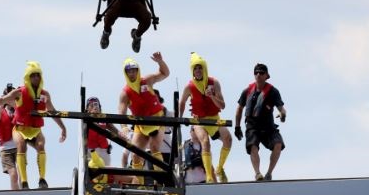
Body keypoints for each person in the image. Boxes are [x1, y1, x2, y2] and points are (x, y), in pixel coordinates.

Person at [0, 62, 67, 190]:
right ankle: (24, 182)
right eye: (33, 75)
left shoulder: (45, 94)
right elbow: (3, 99)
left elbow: (53, 111)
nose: (36, 78)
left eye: (38, 75)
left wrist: (63, 128)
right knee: (21, 145)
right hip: (20, 128)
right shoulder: (19, 92)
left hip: (35, 129)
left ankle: (42, 179)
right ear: (28, 77)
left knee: (41, 145)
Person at [179, 53, 233, 183]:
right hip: (199, 120)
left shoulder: (214, 83)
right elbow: (182, 102)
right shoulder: (189, 86)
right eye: (195, 68)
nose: (198, 71)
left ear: (204, 68)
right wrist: (179, 119)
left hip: (214, 118)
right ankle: (209, 176)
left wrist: (212, 96)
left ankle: (220, 169)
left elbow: (223, 105)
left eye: (200, 68)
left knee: (228, 139)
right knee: (205, 142)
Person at [117, 52, 170, 181]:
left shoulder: (147, 80)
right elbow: (121, 112)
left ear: (138, 70)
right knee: (135, 155)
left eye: (134, 70)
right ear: (126, 73)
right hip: (141, 125)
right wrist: (124, 127)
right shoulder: (125, 93)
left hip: (157, 119)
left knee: (154, 146)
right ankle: (138, 185)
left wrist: (160, 62)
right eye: (129, 71)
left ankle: (162, 181)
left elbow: (165, 74)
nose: (132, 74)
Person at [234, 63, 287, 181]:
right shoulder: (247, 91)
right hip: (253, 125)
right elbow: (239, 109)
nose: (258, 75)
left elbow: (281, 109)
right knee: (253, 146)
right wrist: (237, 127)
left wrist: (283, 115)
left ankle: (269, 173)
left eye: (261, 73)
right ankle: (257, 173)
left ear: (267, 75)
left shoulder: (273, 91)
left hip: (268, 126)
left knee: (278, 144)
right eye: (256, 72)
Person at [0, 85, 20, 190]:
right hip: (5, 149)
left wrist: (17, 105)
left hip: (19, 146)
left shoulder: (20, 109)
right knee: (13, 174)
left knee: (22, 172)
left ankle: (24, 192)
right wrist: (0, 104)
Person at [85, 96, 118, 166]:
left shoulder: (104, 118)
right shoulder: (84, 120)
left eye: (96, 104)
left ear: (100, 107)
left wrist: (126, 139)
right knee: (92, 171)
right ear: (87, 109)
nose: (95, 107)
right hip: (91, 151)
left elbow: (116, 132)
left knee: (107, 173)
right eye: (91, 105)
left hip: (104, 151)